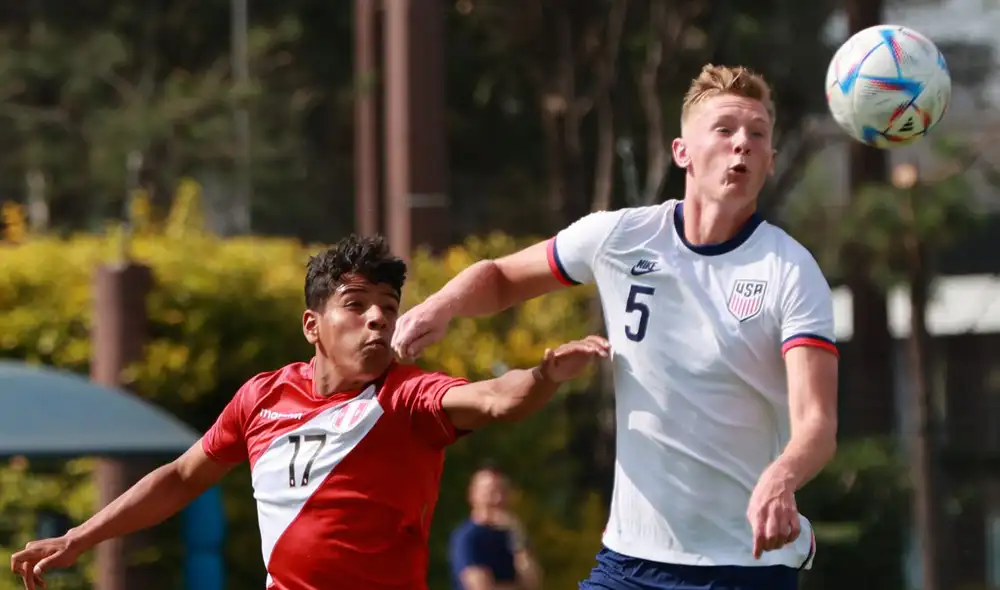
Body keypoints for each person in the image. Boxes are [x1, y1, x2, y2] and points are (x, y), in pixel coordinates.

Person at [392, 64, 839, 590]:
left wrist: (782, 478)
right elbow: (501, 277)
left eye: (758, 134)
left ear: (770, 161)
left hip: (742, 567)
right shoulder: (621, 236)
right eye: (725, 129)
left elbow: (818, 424)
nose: (742, 144)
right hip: (629, 563)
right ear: (682, 152)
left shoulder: (790, 270)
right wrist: (439, 306)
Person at [10, 235, 610, 590]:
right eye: (356, 304)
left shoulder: (405, 397)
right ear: (312, 325)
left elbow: (495, 400)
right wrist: (80, 537)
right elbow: (180, 478)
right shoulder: (261, 397)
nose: (378, 318)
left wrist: (542, 375)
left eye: (388, 306)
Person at [448, 465, 541, 590]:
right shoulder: (468, 537)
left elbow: (533, 583)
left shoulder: (512, 535)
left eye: (503, 492)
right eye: (491, 493)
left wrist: (518, 536)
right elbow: (481, 587)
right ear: (473, 495)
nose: (498, 499)